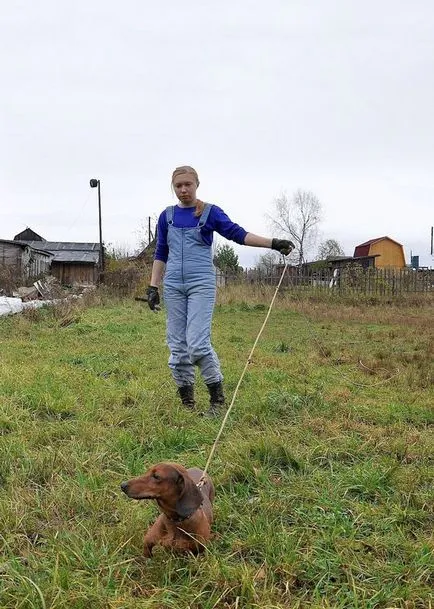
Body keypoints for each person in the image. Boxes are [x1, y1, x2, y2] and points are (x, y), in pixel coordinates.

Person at [146, 166, 294, 416]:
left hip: (200, 284)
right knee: (177, 347)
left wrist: (273, 243)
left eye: (188, 184)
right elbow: (161, 252)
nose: (183, 190)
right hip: (173, 286)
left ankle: (217, 401)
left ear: (197, 185)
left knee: (197, 344)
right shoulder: (166, 216)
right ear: (173, 187)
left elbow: (238, 234)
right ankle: (187, 404)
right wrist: (153, 286)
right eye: (178, 185)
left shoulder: (210, 212)